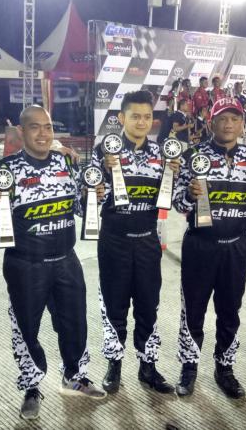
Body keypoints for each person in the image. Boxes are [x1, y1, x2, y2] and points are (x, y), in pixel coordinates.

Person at [0, 105, 106, 421]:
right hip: (26, 264)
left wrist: (93, 195)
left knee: (75, 322)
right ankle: (31, 386)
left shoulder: (65, 163)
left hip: (66, 259)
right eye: (35, 127)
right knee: (26, 328)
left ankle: (75, 376)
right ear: (22, 132)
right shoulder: (6, 170)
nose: (43, 133)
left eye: (48, 127)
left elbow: (80, 209)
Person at [172, 96, 246, 399]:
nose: (228, 124)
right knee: (193, 310)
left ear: (242, 124)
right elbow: (177, 204)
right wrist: (189, 195)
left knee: (230, 311)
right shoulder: (193, 156)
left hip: (236, 248)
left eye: (235, 119)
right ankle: (189, 367)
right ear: (211, 123)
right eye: (222, 119)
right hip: (200, 246)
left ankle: (224, 368)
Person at [90, 90, 179, 396]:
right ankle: (114, 364)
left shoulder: (163, 155)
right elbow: (87, 199)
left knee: (148, 306)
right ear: (121, 118)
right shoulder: (103, 151)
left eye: (147, 117)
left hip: (147, 241)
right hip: (113, 241)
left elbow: (171, 200)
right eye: (135, 116)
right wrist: (101, 176)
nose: (141, 122)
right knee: (113, 306)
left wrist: (176, 176)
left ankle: (148, 366)